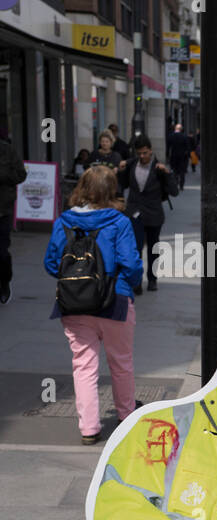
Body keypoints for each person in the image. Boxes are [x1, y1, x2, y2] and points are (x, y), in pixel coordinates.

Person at [45, 166, 143, 443]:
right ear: (111, 190)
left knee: (83, 365)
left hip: (74, 304)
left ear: (82, 188)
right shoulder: (119, 221)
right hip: (115, 301)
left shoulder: (63, 221)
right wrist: (125, 283)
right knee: (121, 362)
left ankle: (89, 428)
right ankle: (125, 416)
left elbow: (51, 263)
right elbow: (132, 264)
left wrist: (76, 280)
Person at [117, 135, 177, 293]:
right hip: (135, 213)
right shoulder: (131, 164)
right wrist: (120, 171)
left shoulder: (159, 168)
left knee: (153, 248)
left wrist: (167, 173)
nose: (142, 156)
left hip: (154, 214)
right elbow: (121, 185)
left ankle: (152, 279)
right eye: (139, 153)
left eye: (145, 153)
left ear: (150, 150)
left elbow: (174, 191)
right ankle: (136, 281)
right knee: (135, 249)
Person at [0, 123, 26, 305]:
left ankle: (4, 282)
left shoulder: (7, 151)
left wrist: (2, 175)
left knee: (1, 252)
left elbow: (21, 175)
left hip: (3, 209)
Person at [166, 123, 192, 191]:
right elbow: (188, 147)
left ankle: (176, 183)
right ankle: (181, 186)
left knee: (174, 170)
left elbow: (168, 147)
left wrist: (167, 155)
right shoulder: (184, 136)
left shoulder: (170, 136)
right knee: (182, 172)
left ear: (175, 128)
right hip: (182, 157)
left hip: (174, 156)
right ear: (181, 129)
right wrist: (189, 156)